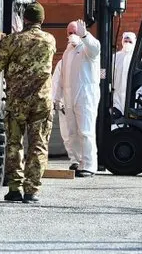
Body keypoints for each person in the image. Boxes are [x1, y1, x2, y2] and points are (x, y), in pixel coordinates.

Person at [0, 2, 57, 203]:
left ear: (25, 19)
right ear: (42, 20)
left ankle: (14, 189)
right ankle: (32, 192)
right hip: (42, 101)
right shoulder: (50, 40)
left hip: (18, 101)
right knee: (38, 146)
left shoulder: (13, 41)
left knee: (14, 144)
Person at [52, 19, 101, 177]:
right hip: (70, 97)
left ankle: (89, 165)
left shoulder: (87, 49)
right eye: (70, 33)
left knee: (86, 131)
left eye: (75, 32)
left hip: (85, 95)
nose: (72, 35)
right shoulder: (67, 52)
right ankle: (80, 161)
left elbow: (95, 48)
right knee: (72, 131)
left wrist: (85, 35)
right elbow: (60, 78)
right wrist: (56, 98)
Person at [112, 32, 142, 115]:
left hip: (133, 96)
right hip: (117, 96)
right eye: (125, 41)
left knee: (130, 120)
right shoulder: (115, 57)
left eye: (130, 42)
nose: (127, 43)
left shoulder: (139, 59)